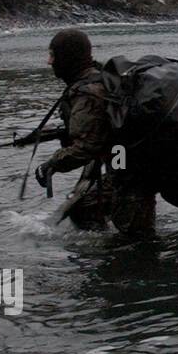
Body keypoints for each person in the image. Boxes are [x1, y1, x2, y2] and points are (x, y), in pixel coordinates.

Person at [35, 29, 156, 236]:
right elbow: (103, 131)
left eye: (53, 55)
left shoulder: (87, 92)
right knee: (84, 209)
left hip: (131, 176)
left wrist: (50, 165)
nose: (49, 62)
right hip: (127, 168)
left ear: (66, 57)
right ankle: (103, 252)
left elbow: (86, 147)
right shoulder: (99, 78)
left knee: (136, 243)